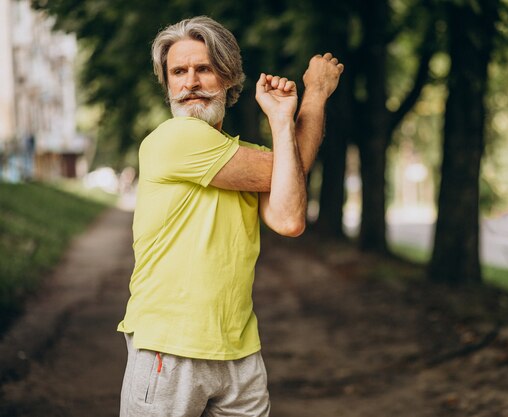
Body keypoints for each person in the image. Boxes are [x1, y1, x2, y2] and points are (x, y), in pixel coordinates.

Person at [117, 15, 343, 417]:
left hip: (239, 351)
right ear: (167, 83)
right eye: (178, 72)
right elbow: (289, 167)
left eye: (203, 69)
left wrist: (281, 118)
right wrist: (316, 94)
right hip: (170, 349)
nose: (190, 83)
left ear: (229, 77)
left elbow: (289, 218)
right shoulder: (174, 139)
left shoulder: (240, 153)